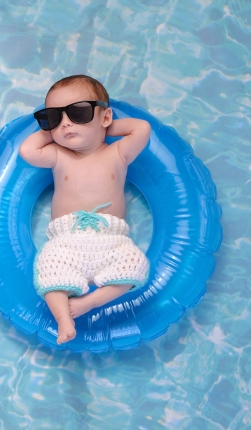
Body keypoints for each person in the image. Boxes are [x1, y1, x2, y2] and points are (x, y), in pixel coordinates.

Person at [18, 75, 151, 344]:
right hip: (66, 239)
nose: (66, 122)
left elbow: (142, 128)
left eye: (78, 112)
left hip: (111, 238)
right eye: (54, 117)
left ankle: (88, 303)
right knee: (48, 268)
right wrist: (56, 131)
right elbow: (27, 150)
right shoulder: (59, 155)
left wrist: (105, 128)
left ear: (105, 117)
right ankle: (63, 318)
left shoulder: (118, 154)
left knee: (135, 265)